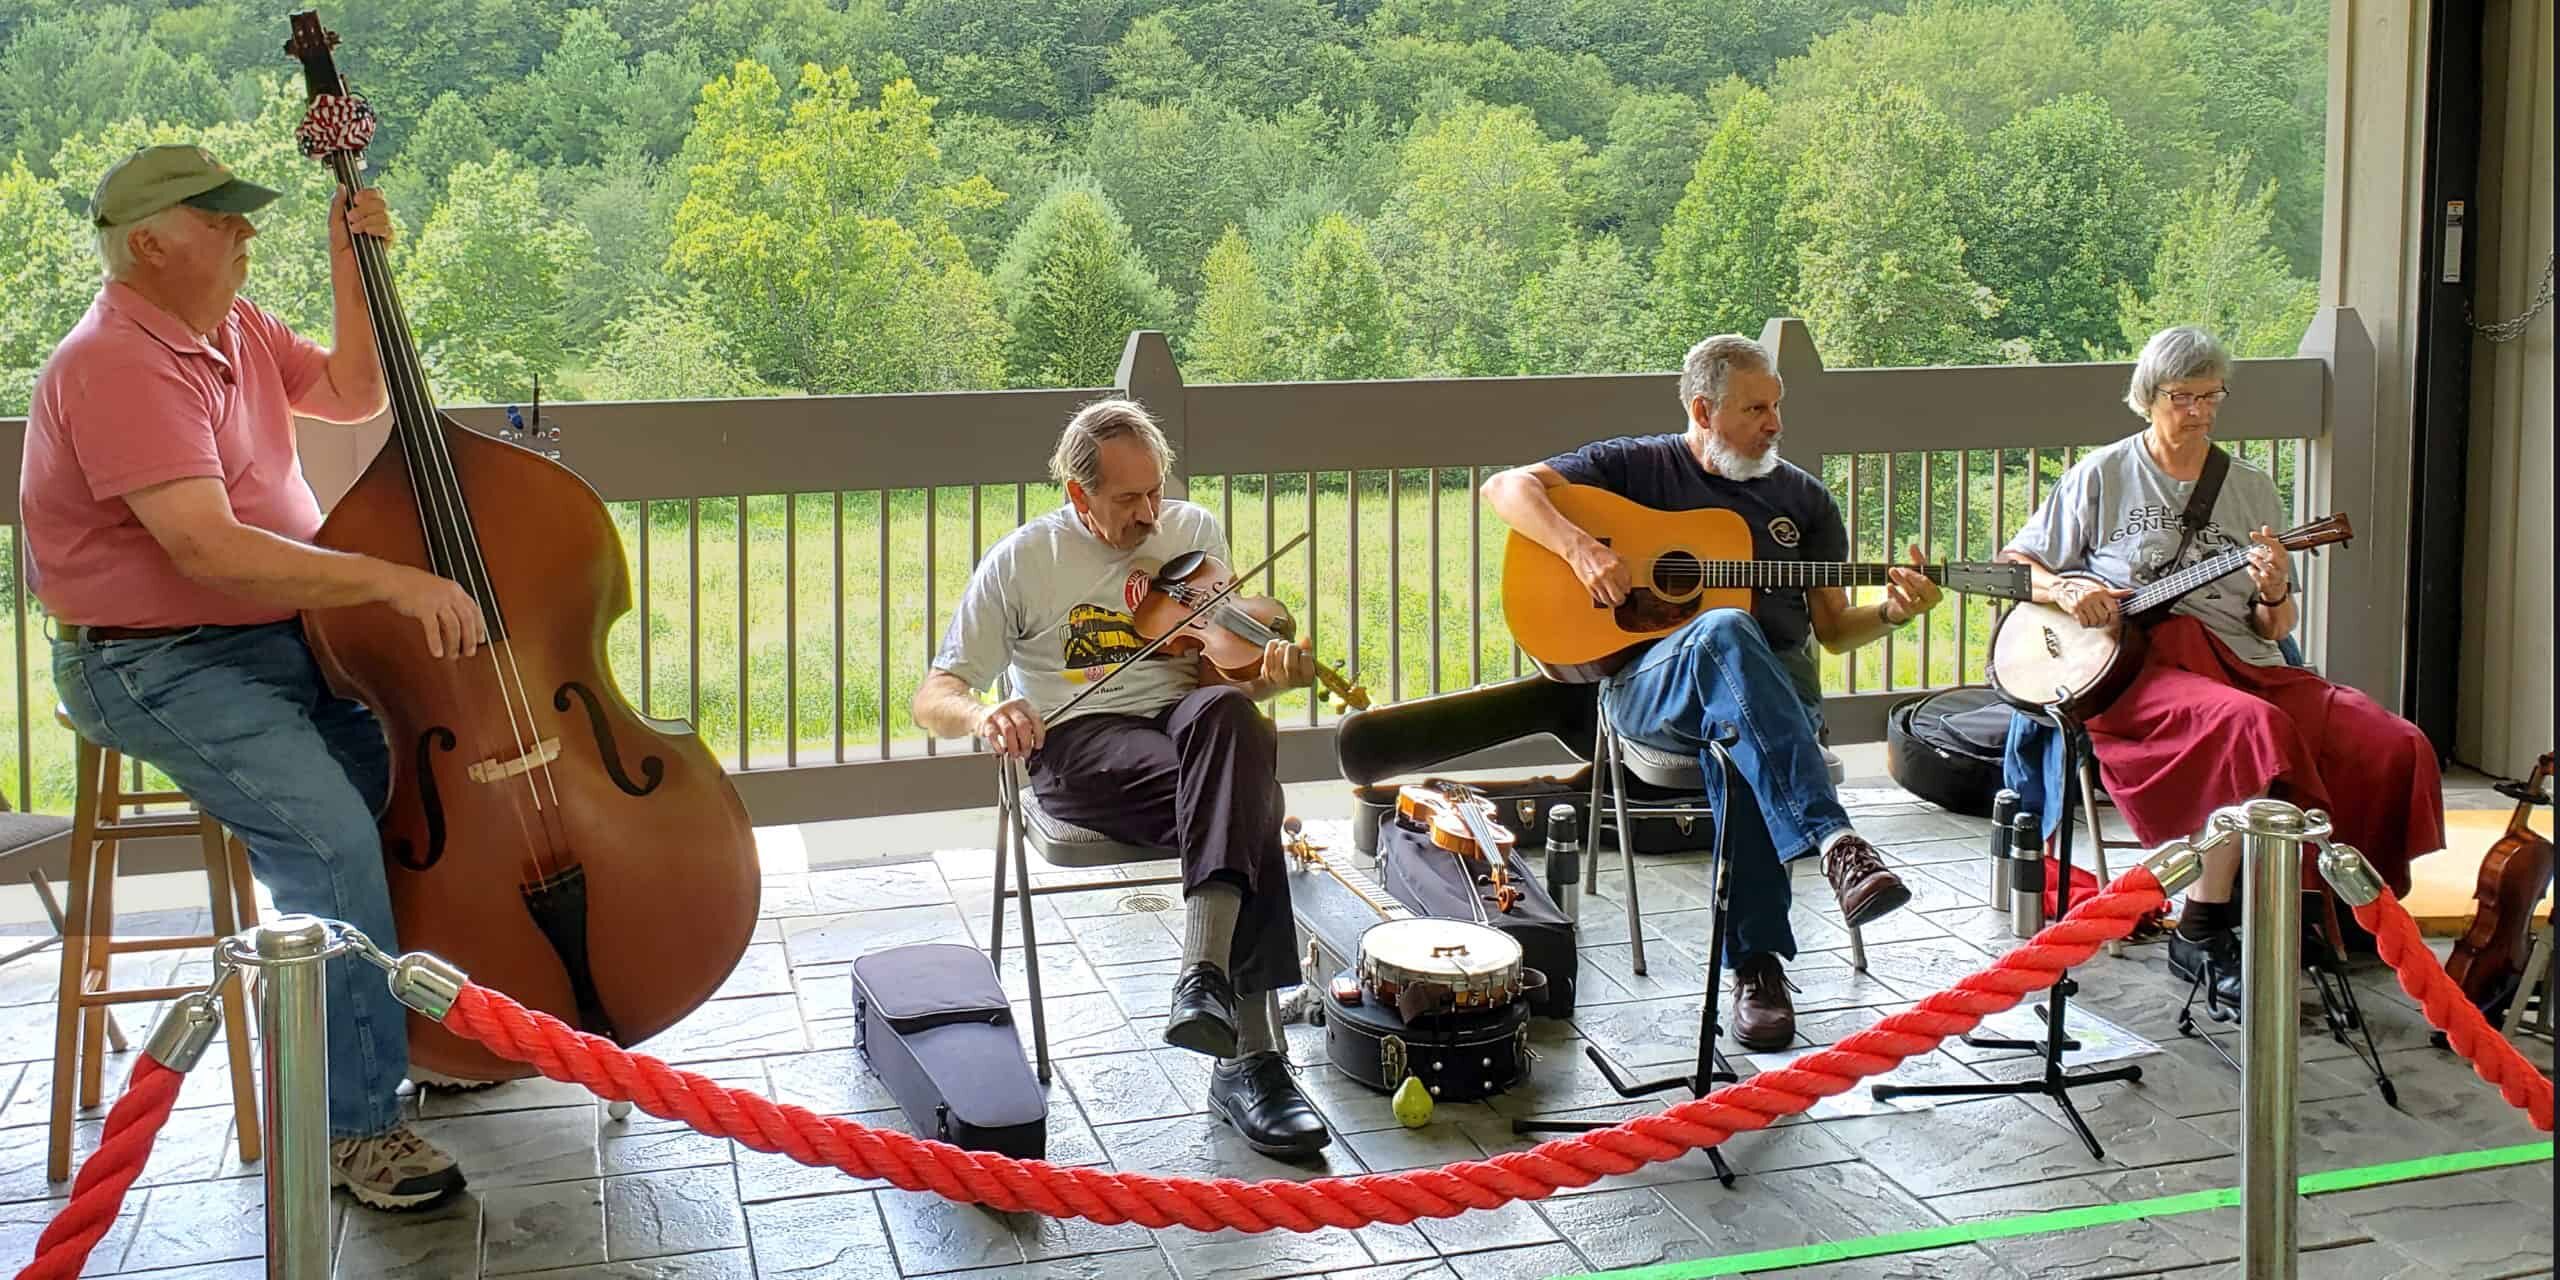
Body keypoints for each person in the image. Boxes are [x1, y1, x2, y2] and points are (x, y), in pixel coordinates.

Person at [21, 144, 487, 1210]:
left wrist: (348, 259)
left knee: (408, 802)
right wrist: (387, 580)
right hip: (156, 660)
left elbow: (353, 388)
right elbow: (207, 547)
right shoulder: (114, 362)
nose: (243, 234)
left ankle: (412, 1033)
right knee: (328, 837)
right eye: (220, 219)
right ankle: (352, 1128)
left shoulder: (231, 325)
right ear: (149, 242)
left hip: (282, 636)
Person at [1481, 333, 1937, 1052]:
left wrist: (1892, 612)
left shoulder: (1803, 500)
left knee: (1743, 742)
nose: (1776, 423)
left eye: (1777, 406)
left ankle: (1756, 969)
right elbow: (1504, 487)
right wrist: (1581, 548)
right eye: (1757, 408)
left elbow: (1837, 630)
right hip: (1651, 692)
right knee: (1724, 628)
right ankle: (1833, 839)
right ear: (1703, 409)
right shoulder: (1637, 466)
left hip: (1775, 700)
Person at [913, 398, 1331, 1156]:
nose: (1149, 515)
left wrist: (1272, 676)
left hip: (1187, 732)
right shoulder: (1024, 560)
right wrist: (986, 717)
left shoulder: (1193, 530)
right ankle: (1254, 1060)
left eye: (1156, 491)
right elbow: (935, 694)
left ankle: (1203, 978)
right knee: (1249, 798)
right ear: (1078, 496)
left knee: (1236, 724)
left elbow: (1219, 673)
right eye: (1127, 500)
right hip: (1079, 744)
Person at [1999, 324, 2444, 1013]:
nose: (2199, 411)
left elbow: (2276, 627)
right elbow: (2017, 563)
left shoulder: (2250, 488)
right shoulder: (2103, 474)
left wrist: (2272, 586)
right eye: (2183, 397)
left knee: (2389, 741)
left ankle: (2324, 912)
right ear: (2148, 397)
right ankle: (2204, 925)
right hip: (2142, 671)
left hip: (2247, 659)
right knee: (2252, 728)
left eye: (2212, 397)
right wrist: (2069, 588)